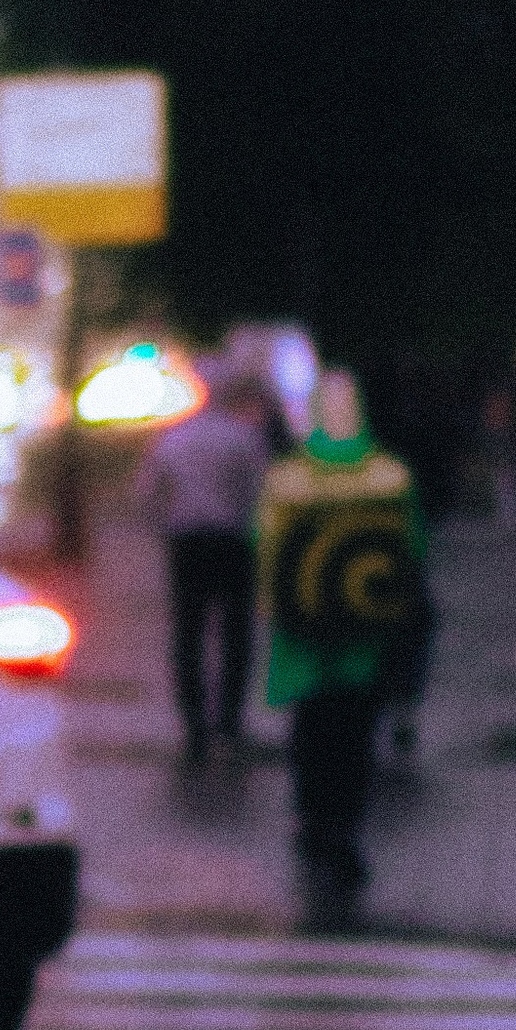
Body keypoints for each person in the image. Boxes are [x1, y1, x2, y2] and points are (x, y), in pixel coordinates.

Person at [256, 366, 426, 900]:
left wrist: (273, 608)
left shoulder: (287, 479)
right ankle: (346, 831)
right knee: (356, 735)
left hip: (304, 632)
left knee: (311, 732)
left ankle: (314, 822)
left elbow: (266, 549)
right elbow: (412, 550)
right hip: (364, 631)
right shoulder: (390, 477)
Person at [136, 368, 270, 762]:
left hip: (187, 543)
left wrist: (164, 526)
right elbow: (259, 491)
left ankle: (194, 725)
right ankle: (230, 722)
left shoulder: (173, 439)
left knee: (188, 633)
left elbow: (148, 493)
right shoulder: (243, 437)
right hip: (232, 542)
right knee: (236, 634)